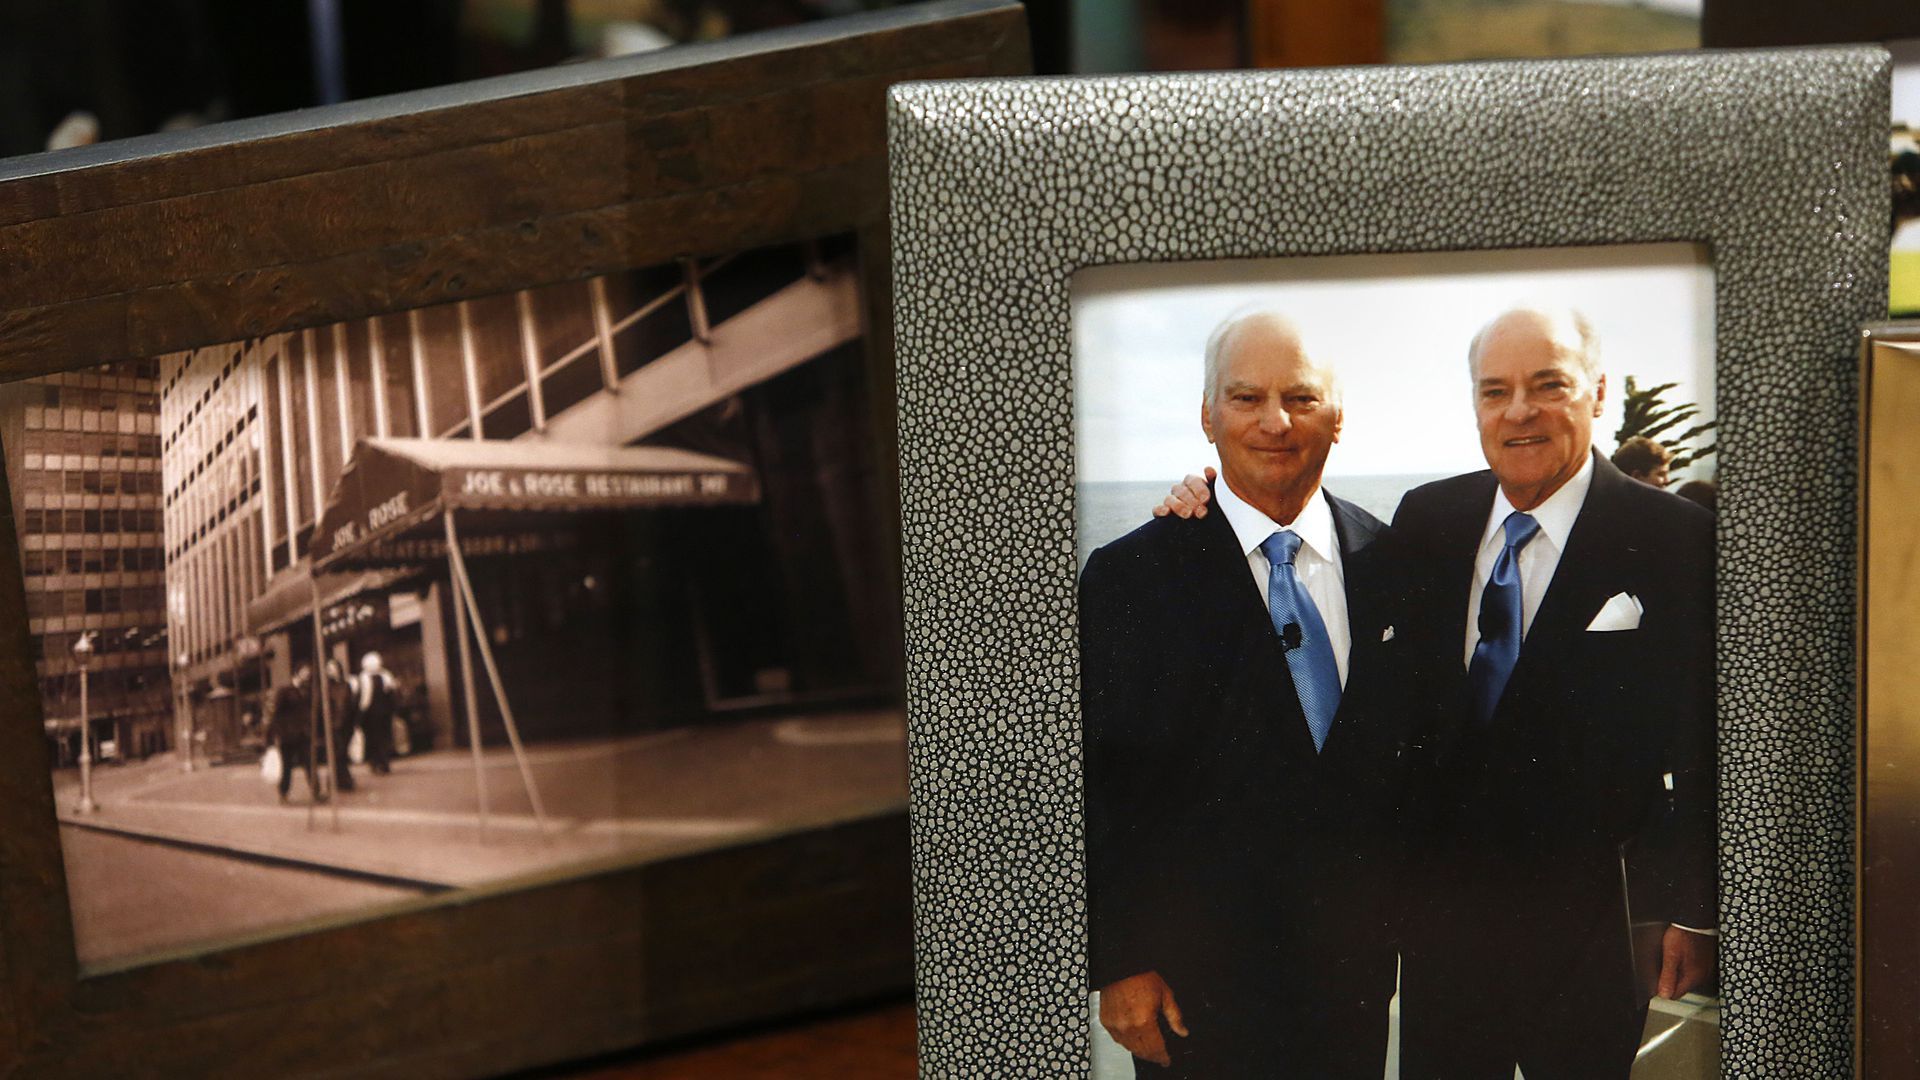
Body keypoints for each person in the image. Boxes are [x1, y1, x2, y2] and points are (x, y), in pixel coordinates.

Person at [1159, 305, 1716, 1078]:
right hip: (1440, 929)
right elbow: (1310, 593)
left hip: (1598, 926)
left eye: (1547, 384)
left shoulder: (1677, 539)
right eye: (1494, 391)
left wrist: (1694, 911)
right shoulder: (1429, 521)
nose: (1518, 410)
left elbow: (1710, 744)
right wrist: (1204, 505)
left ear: (1594, 392)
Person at [1081, 312, 1403, 1078]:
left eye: (1301, 396)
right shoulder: (1131, 576)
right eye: (1246, 397)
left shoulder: (1393, 560)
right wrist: (1118, 963)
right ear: (1206, 414)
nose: (1276, 421)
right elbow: (1098, 783)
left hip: (1356, 982)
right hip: (1194, 994)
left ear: (1338, 416)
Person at [269, 663, 319, 804]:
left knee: (310, 763)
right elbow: (277, 714)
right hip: (288, 735)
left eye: (308, 672)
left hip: (303, 734)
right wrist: (276, 734)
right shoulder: (285, 691)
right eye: (304, 671)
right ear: (296, 673)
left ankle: (316, 792)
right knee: (287, 766)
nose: (307, 675)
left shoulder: (306, 690)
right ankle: (283, 794)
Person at [350, 651, 399, 775]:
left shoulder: (366, 677)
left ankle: (379, 763)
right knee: (380, 739)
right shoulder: (386, 676)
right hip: (377, 714)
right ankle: (381, 763)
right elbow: (391, 695)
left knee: (375, 739)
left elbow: (359, 698)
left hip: (374, 714)